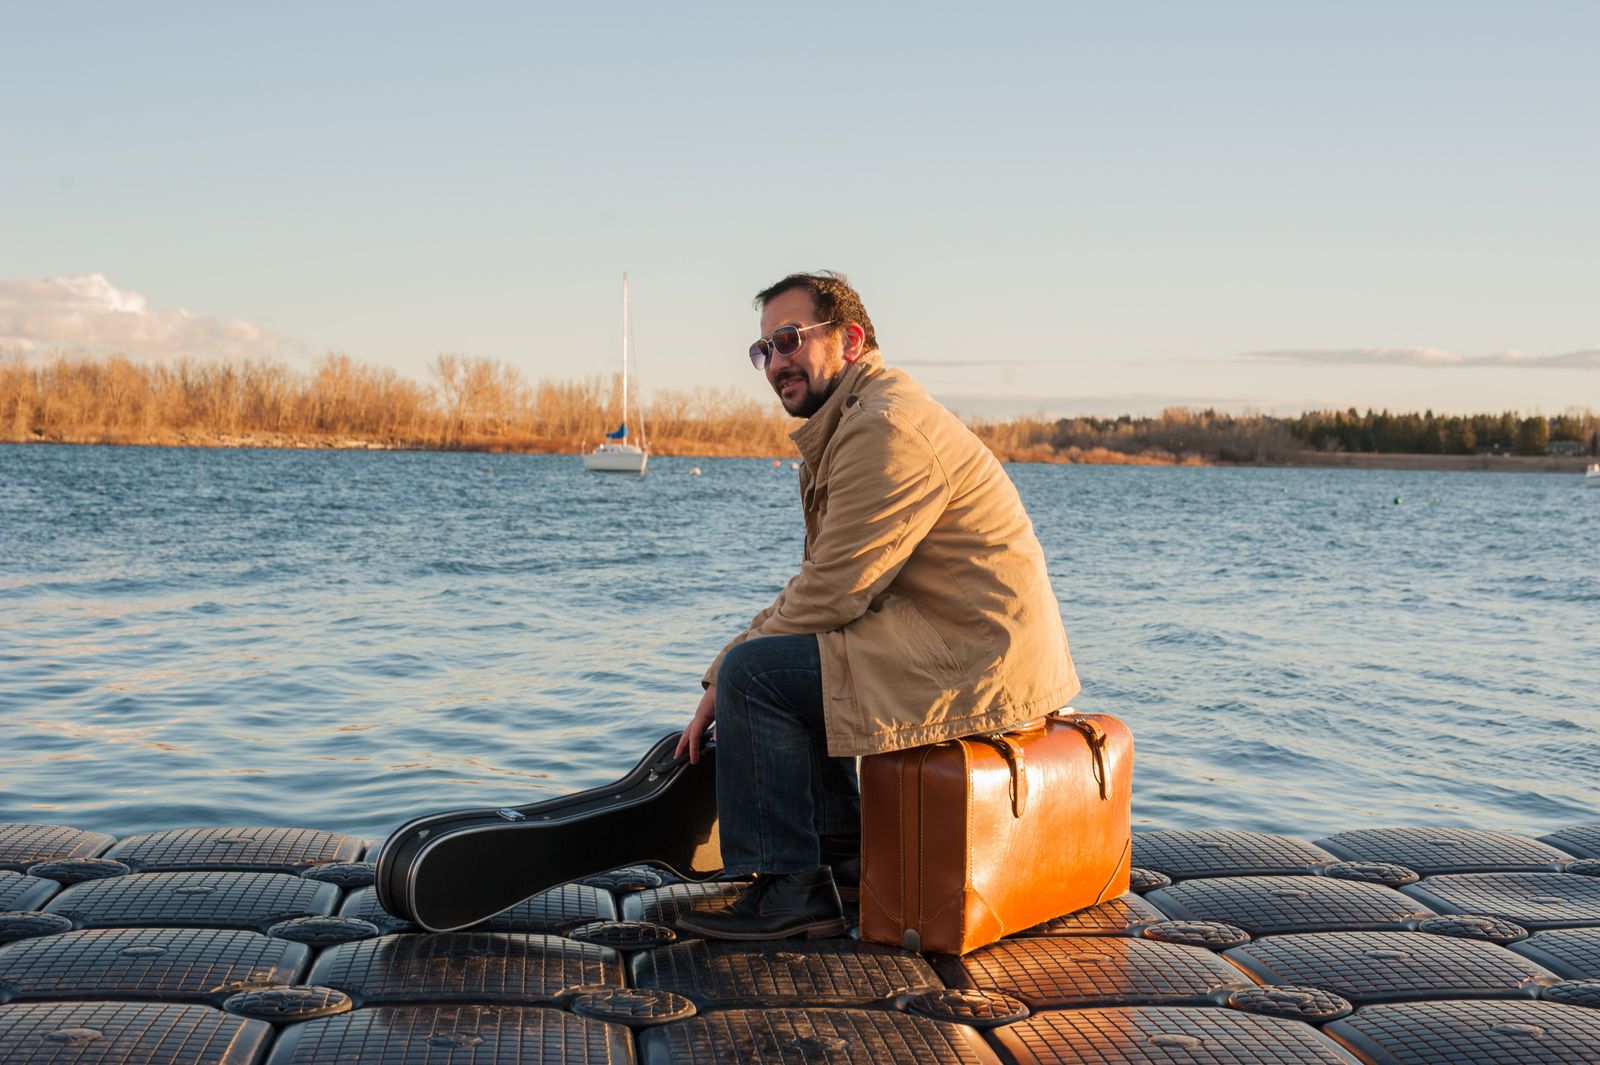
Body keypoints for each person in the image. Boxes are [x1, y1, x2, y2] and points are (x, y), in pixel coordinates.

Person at [673, 271, 1079, 940]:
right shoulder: (853, 421)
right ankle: (843, 857)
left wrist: (724, 673)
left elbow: (833, 589)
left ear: (851, 339)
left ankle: (792, 889)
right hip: (958, 641)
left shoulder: (885, 427)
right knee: (789, 661)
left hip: (978, 657)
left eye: (788, 339)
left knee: (757, 677)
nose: (775, 363)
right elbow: (827, 589)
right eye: (763, 349)